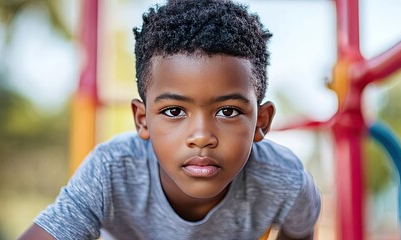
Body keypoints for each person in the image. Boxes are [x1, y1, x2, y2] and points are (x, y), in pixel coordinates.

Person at [19, 0, 321, 239]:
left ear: (261, 122)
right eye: (174, 111)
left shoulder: (286, 181)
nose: (201, 136)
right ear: (142, 119)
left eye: (227, 111)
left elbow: (301, 231)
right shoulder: (112, 173)